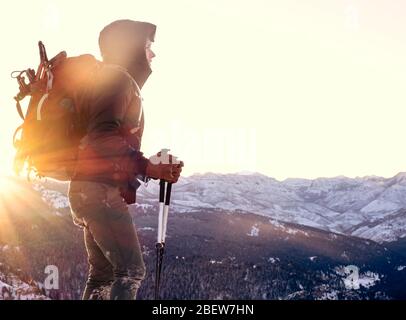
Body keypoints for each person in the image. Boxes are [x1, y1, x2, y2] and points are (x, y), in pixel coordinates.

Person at [68, 19, 183, 300]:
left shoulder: (107, 79)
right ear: (130, 49)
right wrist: (149, 167)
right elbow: (103, 139)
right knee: (130, 271)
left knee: (103, 275)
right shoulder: (117, 80)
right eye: (147, 47)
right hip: (98, 193)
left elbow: (106, 146)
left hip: (87, 190)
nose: (152, 54)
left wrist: (150, 168)